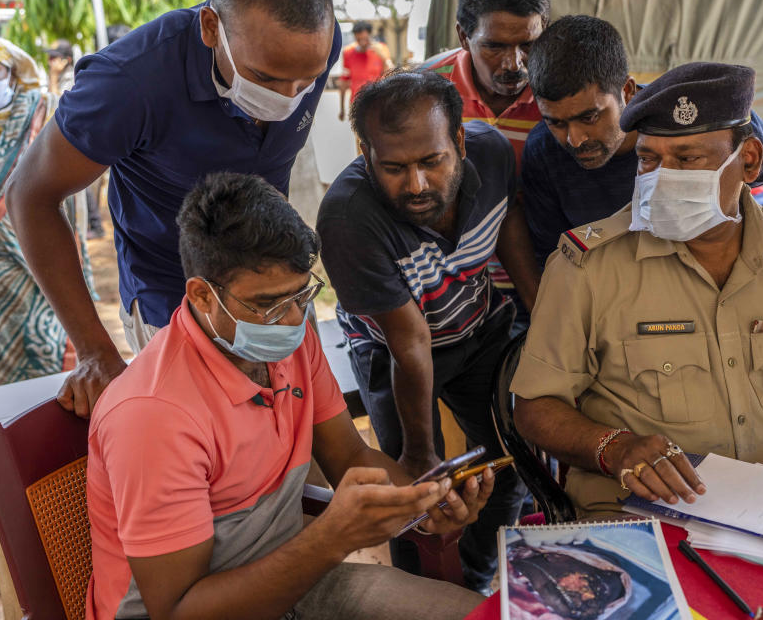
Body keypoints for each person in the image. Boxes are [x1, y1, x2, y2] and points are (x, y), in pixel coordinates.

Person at [511, 61, 763, 523]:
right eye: (648, 159)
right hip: (639, 511)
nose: (662, 177)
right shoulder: (588, 265)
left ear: (747, 160)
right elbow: (536, 406)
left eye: (686, 160)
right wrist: (614, 448)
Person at [87, 171, 490, 620]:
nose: (291, 321)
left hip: (292, 582)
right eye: (266, 304)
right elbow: (181, 610)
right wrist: (331, 539)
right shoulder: (154, 415)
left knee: (480, 615)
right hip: (211, 606)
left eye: (301, 295)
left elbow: (351, 457)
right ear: (202, 295)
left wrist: (425, 505)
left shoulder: (291, 339)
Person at [5, 0, 343, 418]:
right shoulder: (129, 83)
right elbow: (28, 195)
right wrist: (92, 350)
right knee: (214, 454)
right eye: (264, 78)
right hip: (175, 298)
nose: (286, 98)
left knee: (300, 436)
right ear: (209, 27)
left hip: (277, 290)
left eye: (307, 81)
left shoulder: (311, 45)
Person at [317, 70, 537, 592]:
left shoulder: (491, 152)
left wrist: (544, 320)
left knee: (508, 460)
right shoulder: (347, 219)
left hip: (478, 324)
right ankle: (423, 596)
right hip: (391, 351)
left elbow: (507, 226)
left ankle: (480, 580)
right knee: (415, 492)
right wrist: (420, 451)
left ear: (458, 141)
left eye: (431, 162)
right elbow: (409, 342)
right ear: (364, 154)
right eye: (393, 168)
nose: (415, 185)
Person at [521, 16, 763, 268]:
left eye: (590, 117)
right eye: (555, 122)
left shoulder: (682, 120)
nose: (575, 140)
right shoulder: (543, 152)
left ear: (627, 91)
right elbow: (552, 256)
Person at [0, 31, 93, 388]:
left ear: (12, 72)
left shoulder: (42, 111)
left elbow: (66, 190)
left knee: (56, 359)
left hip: (44, 259)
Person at [421, 0, 551, 332]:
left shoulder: (563, 93)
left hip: (546, 287)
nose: (514, 64)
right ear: (464, 37)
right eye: (494, 46)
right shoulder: (424, 90)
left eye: (529, 44)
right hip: (448, 296)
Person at [337, 20, 391, 122]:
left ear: (370, 35)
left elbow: (390, 73)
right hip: (357, 103)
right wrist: (342, 109)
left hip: (378, 102)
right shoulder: (348, 53)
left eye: (365, 39)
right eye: (358, 39)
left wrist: (383, 57)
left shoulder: (381, 49)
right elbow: (344, 81)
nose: (362, 42)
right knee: (359, 136)